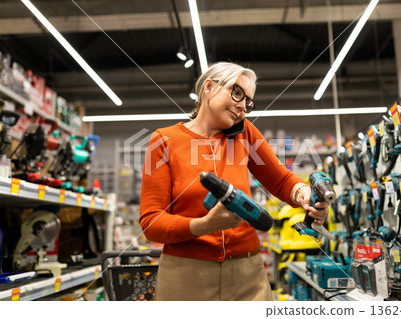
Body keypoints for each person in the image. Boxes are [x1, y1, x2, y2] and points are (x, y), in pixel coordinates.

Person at [139, 62, 329, 301]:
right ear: (208, 87)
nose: (242, 106)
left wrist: (303, 193)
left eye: (248, 102)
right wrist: (203, 225)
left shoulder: (245, 134)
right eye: (237, 92)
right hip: (186, 274)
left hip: (247, 273)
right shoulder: (163, 141)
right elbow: (151, 221)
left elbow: (281, 181)